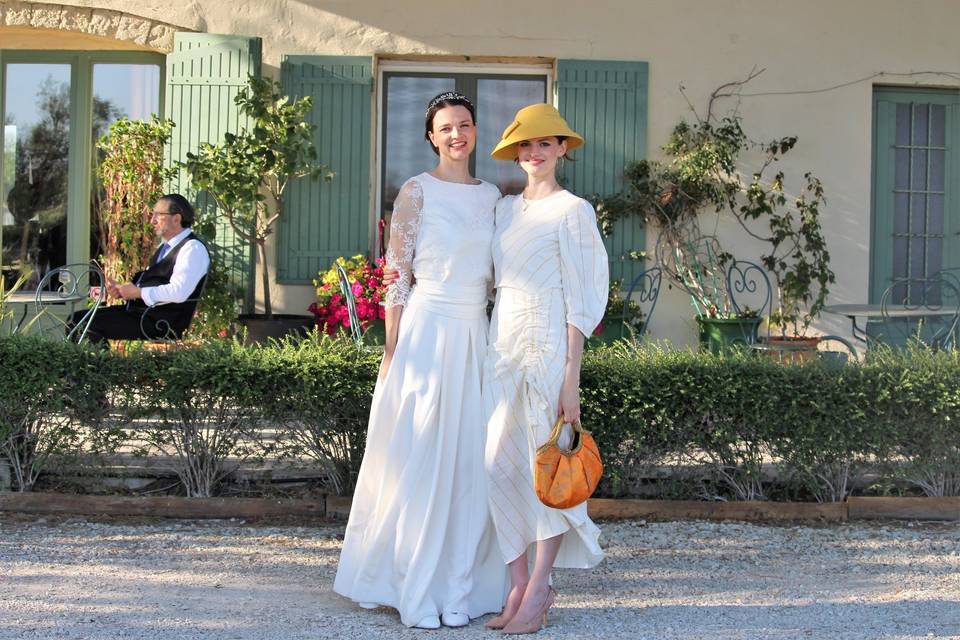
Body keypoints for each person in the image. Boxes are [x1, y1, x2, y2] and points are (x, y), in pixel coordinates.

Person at [333, 91, 509, 629]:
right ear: (432, 137)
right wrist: (392, 349)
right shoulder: (416, 191)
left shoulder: (495, 196)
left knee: (469, 463)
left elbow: (500, 278)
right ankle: (414, 583)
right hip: (427, 336)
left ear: (476, 131)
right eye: (446, 127)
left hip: (474, 336)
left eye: (465, 124)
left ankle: (460, 585)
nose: (457, 134)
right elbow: (396, 276)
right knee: (423, 455)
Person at [482, 103, 608, 634]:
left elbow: (585, 297)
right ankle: (515, 582)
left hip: (547, 346)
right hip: (501, 343)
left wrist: (571, 376)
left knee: (545, 469)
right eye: (525, 145)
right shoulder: (504, 209)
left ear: (561, 150)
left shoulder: (574, 210)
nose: (533, 153)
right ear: (516, 153)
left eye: (544, 143)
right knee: (496, 465)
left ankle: (539, 588)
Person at [70, 193, 210, 346]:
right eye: (152, 214)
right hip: (143, 314)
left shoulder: (192, 248)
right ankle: (98, 367)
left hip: (162, 323)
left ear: (176, 218)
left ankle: (102, 368)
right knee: (76, 320)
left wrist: (138, 292)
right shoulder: (165, 248)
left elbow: (179, 292)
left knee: (86, 325)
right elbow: (154, 283)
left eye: (158, 215)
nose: (152, 220)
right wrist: (124, 291)